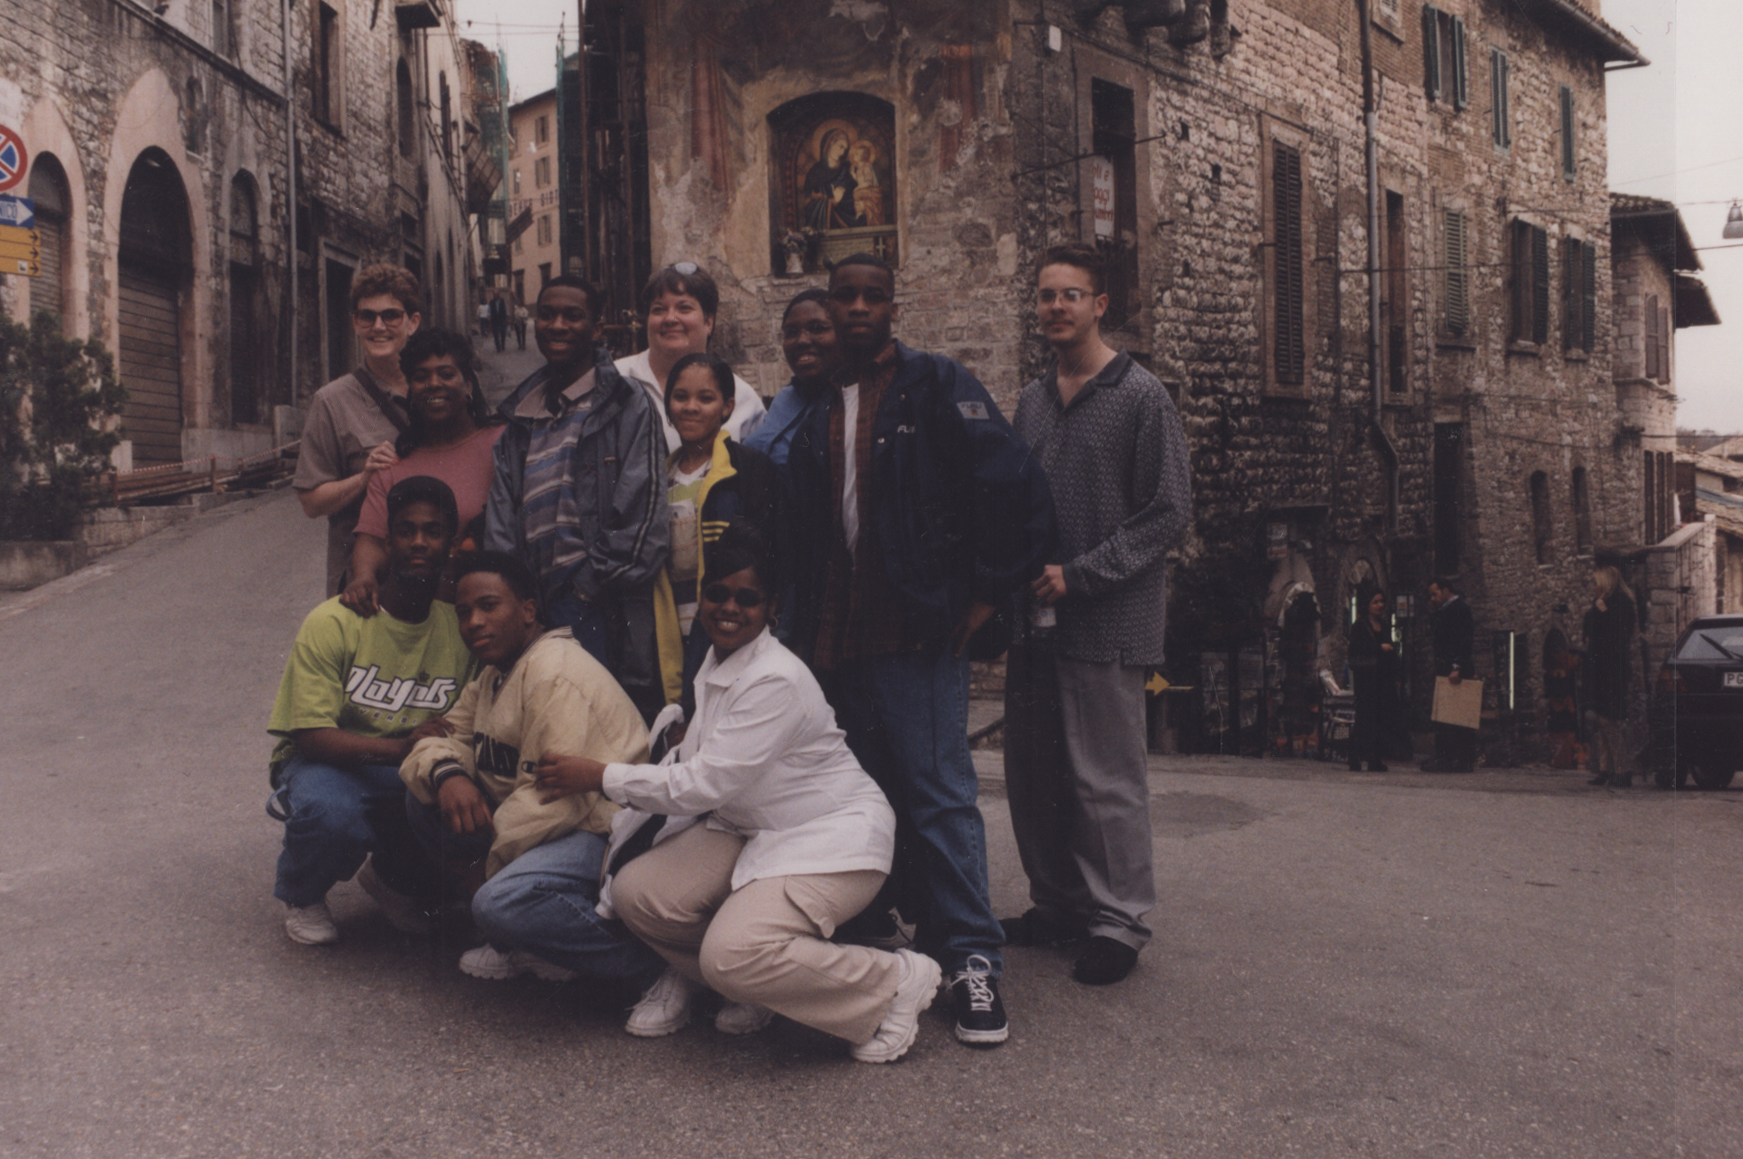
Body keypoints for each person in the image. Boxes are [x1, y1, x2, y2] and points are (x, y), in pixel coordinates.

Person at [533, 529, 943, 1064]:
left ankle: (893, 980)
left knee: (730, 954)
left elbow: (702, 785)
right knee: (638, 895)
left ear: (771, 609)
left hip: (833, 838)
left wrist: (601, 775)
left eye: (747, 598)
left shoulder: (776, 678)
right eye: (717, 593)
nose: (729, 608)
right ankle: (759, 987)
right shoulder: (717, 658)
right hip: (751, 826)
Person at [786, 253, 1054, 1046]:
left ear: (892, 307)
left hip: (914, 631)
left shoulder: (934, 383)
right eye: (845, 295)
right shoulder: (810, 401)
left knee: (939, 795)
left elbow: (1015, 487)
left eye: (872, 296)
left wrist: (984, 593)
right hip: (835, 639)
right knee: (860, 797)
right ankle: (895, 946)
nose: (857, 307)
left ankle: (972, 958)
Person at [1000, 242, 1191, 987]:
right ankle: (1058, 904)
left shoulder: (1141, 397)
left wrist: (1080, 575)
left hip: (1106, 620)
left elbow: (1166, 511)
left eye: (1070, 295)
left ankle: (1118, 921)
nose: (1056, 307)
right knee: (1035, 771)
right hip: (1033, 622)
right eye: (1046, 295)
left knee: (1105, 779)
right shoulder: (1032, 399)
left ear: (1099, 305)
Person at [398, 551, 666, 988]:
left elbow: (554, 803)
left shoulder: (553, 672)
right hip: (542, 825)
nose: (474, 623)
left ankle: (656, 968)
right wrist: (448, 773)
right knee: (427, 795)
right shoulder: (494, 674)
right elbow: (437, 738)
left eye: (489, 606)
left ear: (527, 611)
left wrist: (483, 868)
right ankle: (523, 943)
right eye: (464, 612)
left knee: (498, 903)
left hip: (601, 831)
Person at [266, 476, 474, 946]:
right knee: (331, 812)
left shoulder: (459, 630)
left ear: (451, 544)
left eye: (432, 531)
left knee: (460, 800)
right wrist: (402, 748)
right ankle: (302, 893)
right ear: (386, 541)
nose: (418, 542)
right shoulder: (333, 621)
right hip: (329, 763)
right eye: (405, 530)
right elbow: (312, 737)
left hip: (407, 764)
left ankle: (394, 882)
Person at [483, 274, 670, 721]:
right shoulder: (522, 417)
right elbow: (502, 520)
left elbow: (643, 517)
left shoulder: (627, 403)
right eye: (547, 315)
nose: (558, 325)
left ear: (597, 327)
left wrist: (584, 590)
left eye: (573, 316)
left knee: (593, 727)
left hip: (597, 602)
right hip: (533, 609)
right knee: (542, 726)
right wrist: (518, 600)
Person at [656, 353, 786, 714]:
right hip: (672, 627)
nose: (691, 407)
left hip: (729, 625)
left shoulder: (749, 470)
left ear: (727, 407)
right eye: (680, 397)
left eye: (706, 398)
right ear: (667, 406)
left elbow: (774, 555)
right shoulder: (657, 478)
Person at [342, 328, 506, 614]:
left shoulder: (503, 444)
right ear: (410, 391)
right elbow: (372, 539)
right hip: (422, 617)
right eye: (420, 377)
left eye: (446, 374)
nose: (433, 384)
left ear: (468, 385)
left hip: (492, 613)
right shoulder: (394, 466)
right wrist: (364, 576)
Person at [293, 265, 422, 596]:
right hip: (362, 587)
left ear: (412, 322)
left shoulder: (438, 391)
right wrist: (364, 479)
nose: (378, 326)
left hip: (431, 581)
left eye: (390, 315)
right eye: (367, 316)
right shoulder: (331, 402)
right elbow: (311, 502)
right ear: (355, 324)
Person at [613, 263, 766, 453]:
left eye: (684, 308)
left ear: (709, 322)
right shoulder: (616, 378)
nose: (670, 318)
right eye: (659, 309)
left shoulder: (742, 397)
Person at [742, 288, 840, 476]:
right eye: (791, 332)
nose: (802, 341)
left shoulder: (847, 405)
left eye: (817, 328)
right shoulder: (784, 400)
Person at [1583, 565, 1637, 788]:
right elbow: (1590, 633)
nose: (1594, 587)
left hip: (1612, 671)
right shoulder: (1598, 604)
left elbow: (1621, 636)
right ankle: (1605, 769)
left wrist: (1604, 612)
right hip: (1598, 670)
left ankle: (1623, 769)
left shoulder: (1621, 604)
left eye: (1597, 582)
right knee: (1600, 720)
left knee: (1609, 720)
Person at [1423, 576, 1477, 772]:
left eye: (1435, 594)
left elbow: (1464, 639)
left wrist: (1457, 666)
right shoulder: (1444, 610)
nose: (1433, 598)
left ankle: (1460, 759)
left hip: (1455, 669)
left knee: (1458, 716)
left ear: (1446, 590)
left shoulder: (1460, 608)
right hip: (1445, 668)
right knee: (1445, 715)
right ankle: (1446, 758)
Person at [1345, 589, 1399, 774]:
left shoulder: (1384, 625)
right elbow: (1356, 652)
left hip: (1382, 678)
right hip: (1366, 680)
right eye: (1375, 602)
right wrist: (1378, 648)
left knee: (1379, 719)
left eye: (1382, 601)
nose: (1380, 605)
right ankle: (1355, 758)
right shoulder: (1359, 626)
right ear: (1367, 605)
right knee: (1364, 718)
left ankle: (1374, 759)